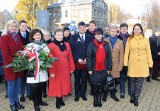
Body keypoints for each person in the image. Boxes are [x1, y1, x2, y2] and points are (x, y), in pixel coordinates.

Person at [124, 23, 153, 106]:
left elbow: (148, 51)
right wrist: (125, 64)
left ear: (141, 30)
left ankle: (136, 97)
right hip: (132, 63)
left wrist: (150, 63)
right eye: (135, 29)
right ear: (133, 30)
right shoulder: (129, 39)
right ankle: (132, 95)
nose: (136, 30)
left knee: (140, 82)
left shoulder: (146, 39)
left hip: (143, 64)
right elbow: (126, 52)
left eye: (138, 29)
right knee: (132, 81)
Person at [0, 20, 24, 111]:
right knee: (11, 85)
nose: (13, 27)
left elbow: (21, 47)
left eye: (15, 26)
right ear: (7, 27)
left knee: (17, 84)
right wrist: (16, 60)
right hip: (10, 65)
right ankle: (12, 104)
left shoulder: (17, 36)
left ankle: (17, 101)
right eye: (11, 26)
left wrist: (24, 54)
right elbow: (5, 55)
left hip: (19, 64)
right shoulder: (4, 37)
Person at [48, 28, 75, 109]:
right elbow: (50, 60)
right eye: (58, 35)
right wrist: (51, 71)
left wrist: (72, 67)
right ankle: (58, 99)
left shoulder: (67, 44)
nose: (60, 36)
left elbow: (70, 56)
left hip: (65, 68)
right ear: (54, 36)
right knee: (57, 84)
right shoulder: (51, 45)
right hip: (56, 68)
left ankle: (61, 98)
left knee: (63, 84)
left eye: (61, 35)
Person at [87, 27, 112, 107]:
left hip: (104, 69)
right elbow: (89, 57)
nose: (98, 36)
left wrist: (109, 68)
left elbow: (109, 57)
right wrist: (89, 69)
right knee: (94, 85)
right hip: (94, 69)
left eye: (100, 34)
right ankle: (95, 99)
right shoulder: (91, 44)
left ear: (102, 35)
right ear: (94, 35)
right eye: (96, 34)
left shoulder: (106, 44)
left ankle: (99, 99)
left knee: (101, 85)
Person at [70, 21, 94, 102]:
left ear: (85, 28)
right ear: (78, 28)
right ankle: (77, 95)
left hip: (86, 62)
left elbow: (91, 49)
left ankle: (83, 94)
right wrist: (77, 58)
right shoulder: (73, 37)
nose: (82, 29)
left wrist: (87, 58)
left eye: (84, 27)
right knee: (77, 79)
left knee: (84, 79)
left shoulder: (90, 37)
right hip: (77, 62)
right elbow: (72, 50)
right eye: (81, 27)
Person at [26, 29, 49, 111]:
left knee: (41, 86)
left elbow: (47, 55)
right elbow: (27, 57)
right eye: (35, 35)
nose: (38, 36)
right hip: (33, 70)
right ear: (32, 36)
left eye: (39, 34)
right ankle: (35, 103)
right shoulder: (29, 45)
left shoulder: (44, 45)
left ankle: (40, 101)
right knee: (34, 87)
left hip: (42, 70)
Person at [104, 25, 124, 102]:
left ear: (117, 32)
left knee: (114, 80)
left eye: (114, 31)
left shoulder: (120, 42)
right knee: (105, 80)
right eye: (111, 31)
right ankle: (105, 94)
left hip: (116, 65)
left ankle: (113, 94)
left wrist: (120, 65)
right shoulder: (105, 40)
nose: (113, 33)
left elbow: (122, 55)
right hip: (106, 64)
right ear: (109, 31)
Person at [18, 20, 31, 102]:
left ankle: (29, 94)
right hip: (20, 59)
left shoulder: (30, 35)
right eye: (22, 25)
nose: (24, 27)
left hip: (29, 59)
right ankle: (22, 94)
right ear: (19, 26)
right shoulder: (16, 35)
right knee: (21, 78)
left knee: (29, 77)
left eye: (25, 25)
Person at [117, 23, 131, 98]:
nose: (123, 30)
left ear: (127, 29)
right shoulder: (117, 37)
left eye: (125, 28)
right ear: (120, 29)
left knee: (129, 76)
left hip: (129, 59)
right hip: (121, 60)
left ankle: (130, 91)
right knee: (122, 77)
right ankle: (122, 92)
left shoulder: (131, 37)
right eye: (122, 29)